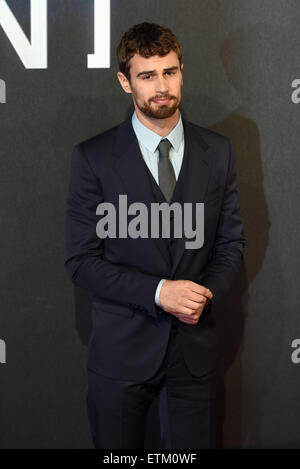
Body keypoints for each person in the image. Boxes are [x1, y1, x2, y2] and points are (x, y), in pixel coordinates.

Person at [64, 22, 246, 449]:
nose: (162, 86)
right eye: (147, 76)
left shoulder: (218, 152)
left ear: (182, 70)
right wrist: (159, 292)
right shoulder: (93, 158)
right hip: (120, 358)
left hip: (194, 357)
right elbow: (80, 261)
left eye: (170, 71)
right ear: (125, 81)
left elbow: (231, 243)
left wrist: (202, 294)